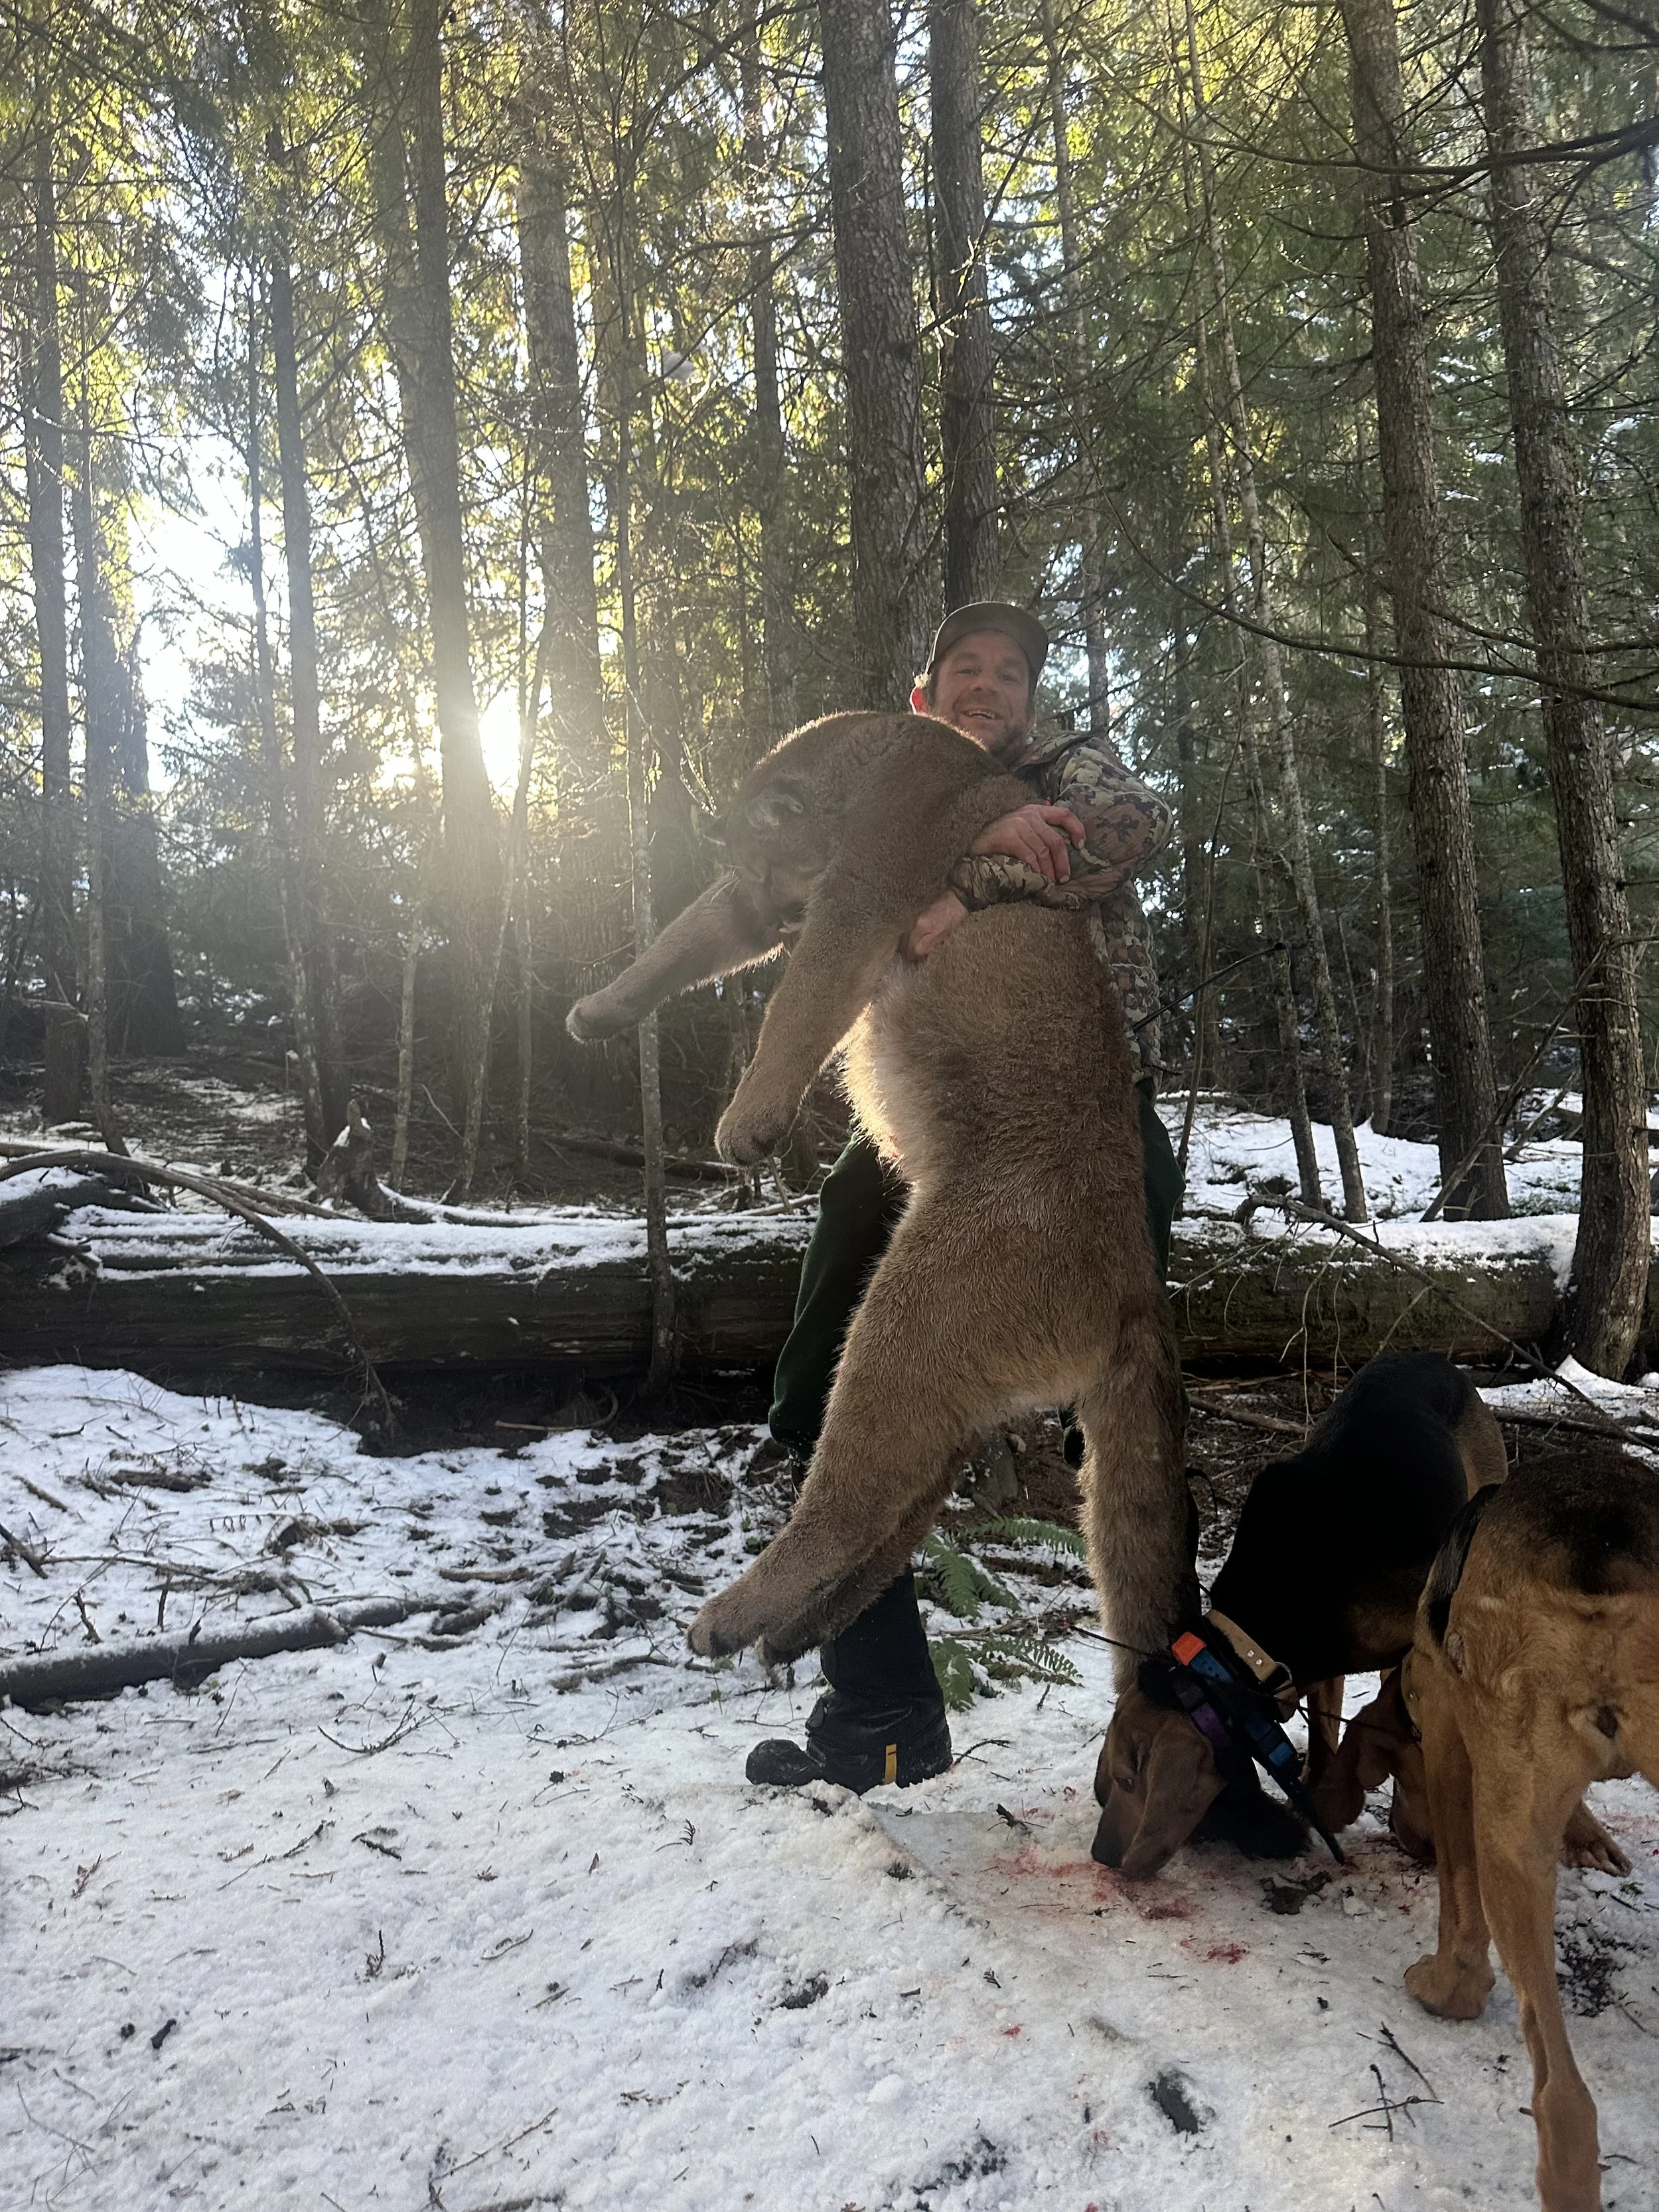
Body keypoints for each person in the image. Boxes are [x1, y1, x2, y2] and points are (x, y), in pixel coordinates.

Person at [746, 603, 1182, 1791]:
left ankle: (1182, 1743)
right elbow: (782, 907)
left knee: (1140, 1410)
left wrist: (974, 886)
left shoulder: (1065, 773)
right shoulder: (877, 793)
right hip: (930, 1142)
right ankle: (881, 1712)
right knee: (819, 1391)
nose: (990, 685)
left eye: (1011, 673)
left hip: (1075, 1126)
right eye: (966, 668)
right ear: (923, 692)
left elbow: (1137, 824)